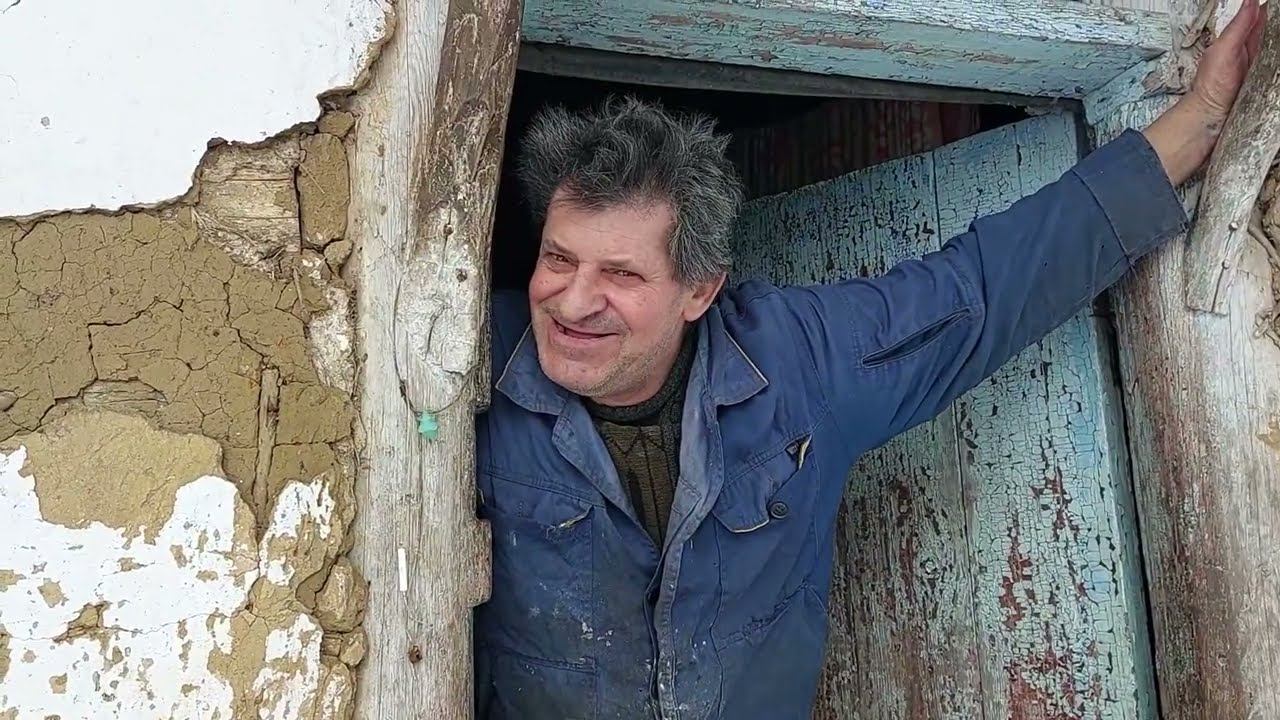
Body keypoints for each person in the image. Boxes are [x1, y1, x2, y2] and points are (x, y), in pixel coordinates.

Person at [474, 3, 1267, 718]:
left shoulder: (798, 362)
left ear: (699, 290)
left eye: (620, 276)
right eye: (558, 259)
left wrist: (1197, 121)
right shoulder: (471, 364)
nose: (573, 302)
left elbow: (982, 290)